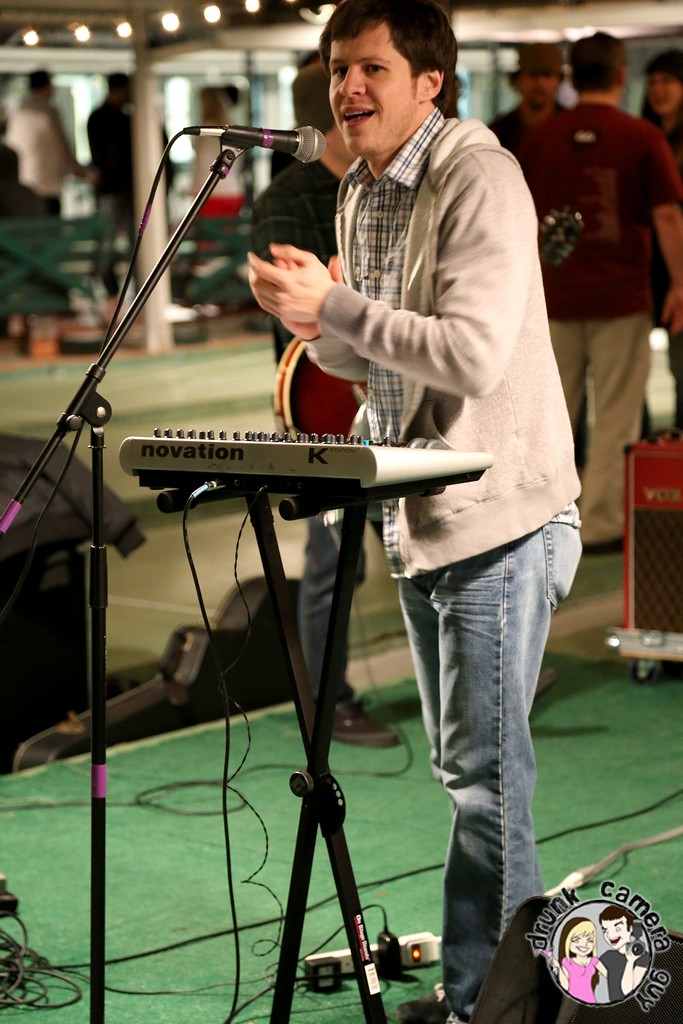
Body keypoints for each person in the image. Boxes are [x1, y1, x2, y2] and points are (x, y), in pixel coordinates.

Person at [247, 2, 582, 1021]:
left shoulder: (478, 175)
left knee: (486, 782)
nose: (347, 88)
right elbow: (369, 356)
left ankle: (491, 1002)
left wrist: (335, 308)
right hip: (418, 515)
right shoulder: (359, 188)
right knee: (463, 774)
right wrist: (313, 318)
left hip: (499, 518)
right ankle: (488, 984)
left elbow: (468, 354)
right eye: (336, 69)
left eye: (371, 69)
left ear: (429, 81)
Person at [251, 62, 397, 748]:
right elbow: (298, 318)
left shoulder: (379, 188)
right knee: (335, 562)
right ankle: (325, 703)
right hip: (323, 403)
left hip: (390, 389)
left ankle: (478, 679)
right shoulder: (287, 199)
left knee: (424, 550)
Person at [519, 32, 683, 555]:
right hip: (621, 299)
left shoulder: (541, 139)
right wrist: (681, 283)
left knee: (550, 417)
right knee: (616, 417)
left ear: (571, 76)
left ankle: (541, 519)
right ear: (620, 75)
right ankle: (602, 523)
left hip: (554, 301)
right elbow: (666, 215)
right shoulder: (642, 137)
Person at [642, 48, 683, 430]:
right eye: (653, 81)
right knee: (631, 374)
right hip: (645, 269)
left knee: (679, 368)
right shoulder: (643, 137)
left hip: (678, 269)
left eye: (668, 80)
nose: (659, 89)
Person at [5, 70, 87, 215]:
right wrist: (76, 168)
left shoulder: (18, 111)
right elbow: (63, 148)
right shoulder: (48, 112)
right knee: (49, 224)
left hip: (23, 184)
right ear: (47, 87)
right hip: (48, 185)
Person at [87, 73, 135, 299]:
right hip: (112, 188)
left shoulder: (125, 118)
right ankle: (108, 288)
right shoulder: (102, 118)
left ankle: (133, 287)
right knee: (107, 241)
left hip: (126, 188)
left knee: (133, 239)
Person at [488, 42, 566, 157]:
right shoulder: (499, 132)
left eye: (546, 75)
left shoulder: (569, 128)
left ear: (558, 81)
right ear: (517, 80)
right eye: (533, 74)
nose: (540, 83)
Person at [189, 86, 246, 218]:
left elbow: (203, 165)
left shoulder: (205, 131)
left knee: (208, 231)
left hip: (209, 193)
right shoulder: (233, 127)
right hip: (233, 191)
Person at [599, 906, 651, 1001]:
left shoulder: (643, 957)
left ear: (630, 929)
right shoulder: (608, 956)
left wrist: (630, 961)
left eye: (618, 929)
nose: (610, 935)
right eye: (605, 930)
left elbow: (627, 992)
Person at [552, 916, 607, 1003]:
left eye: (589, 940)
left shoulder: (594, 961)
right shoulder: (567, 962)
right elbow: (565, 986)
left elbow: (610, 976)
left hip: (590, 1001)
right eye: (576, 940)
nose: (584, 944)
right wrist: (558, 967)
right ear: (567, 941)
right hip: (570, 1002)